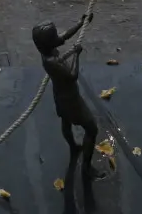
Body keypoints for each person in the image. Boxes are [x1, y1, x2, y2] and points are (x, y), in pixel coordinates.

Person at [32, 13, 103, 181]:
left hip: (60, 95)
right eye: (54, 36)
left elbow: (64, 36)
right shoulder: (51, 61)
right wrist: (77, 54)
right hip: (71, 99)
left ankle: (73, 146)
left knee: (65, 121)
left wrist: (81, 22)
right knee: (92, 129)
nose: (58, 37)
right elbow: (72, 75)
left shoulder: (46, 50)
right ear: (48, 42)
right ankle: (86, 167)